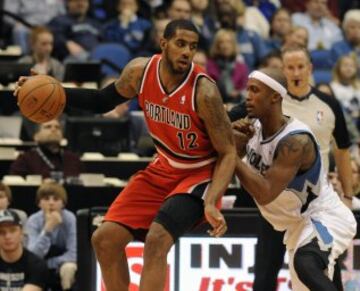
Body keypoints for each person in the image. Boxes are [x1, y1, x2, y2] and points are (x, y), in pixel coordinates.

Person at [15, 19, 236, 291]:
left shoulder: (205, 91)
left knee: (156, 240)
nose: (187, 52)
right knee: (104, 240)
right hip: (164, 166)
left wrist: (212, 201)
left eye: (192, 46)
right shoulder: (140, 72)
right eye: (180, 44)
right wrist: (55, 89)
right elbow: (101, 100)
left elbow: (228, 152)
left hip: (199, 173)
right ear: (163, 43)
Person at [233, 68, 357, 290]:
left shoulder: (296, 141)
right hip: (294, 225)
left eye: (254, 90)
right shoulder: (254, 129)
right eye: (247, 90)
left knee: (306, 262)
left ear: (275, 97)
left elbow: (265, 192)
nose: (248, 96)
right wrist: (232, 143)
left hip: (323, 216)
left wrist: (229, 154)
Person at [26, 182, 77, 291]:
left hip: (62, 263)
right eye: (46, 199)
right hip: (39, 263)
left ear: (63, 203)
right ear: (39, 203)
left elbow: (73, 254)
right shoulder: (33, 220)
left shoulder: (70, 219)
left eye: (55, 199)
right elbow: (32, 255)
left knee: (69, 268)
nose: (51, 203)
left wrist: (50, 263)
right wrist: (47, 229)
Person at [9, 119, 84, 182]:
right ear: (36, 136)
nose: (54, 129)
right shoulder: (25, 159)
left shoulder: (73, 159)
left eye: (57, 127)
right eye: (48, 127)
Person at [0, 209, 49, 291]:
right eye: (1, 232)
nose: (7, 236)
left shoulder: (37, 265)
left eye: (13, 230)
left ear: (21, 233)